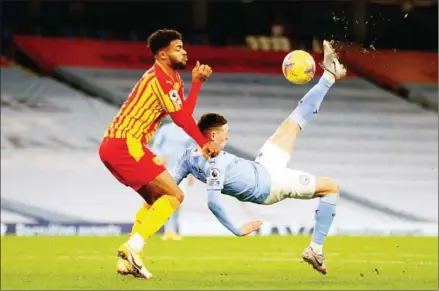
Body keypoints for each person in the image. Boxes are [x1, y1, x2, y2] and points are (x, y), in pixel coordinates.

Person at [171, 40, 346, 275]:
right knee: (331, 187)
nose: (227, 138)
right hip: (269, 185)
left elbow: (169, 185)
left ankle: (329, 77)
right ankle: (315, 249)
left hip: (262, 166)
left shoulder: (187, 156)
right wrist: (236, 229)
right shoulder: (215, 164)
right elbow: (212, 202)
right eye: (225, 134)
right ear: (213, 134)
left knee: (291, 123)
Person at [99, 29, 219, 279]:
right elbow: (181, 120)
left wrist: (196, 83)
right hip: (124, 143)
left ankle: (128, 257)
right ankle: (133, 248)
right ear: (162, 54)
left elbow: (182, 115)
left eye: (183, 46)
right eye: (178, 48)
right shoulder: (159, 79)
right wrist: (202, 142)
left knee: (156, 200)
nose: (184, 51)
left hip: (123, 144)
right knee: (174, 194)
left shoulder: (173, 79)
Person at [151, 120, 196, 241]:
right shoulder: (165, 129)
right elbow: (156, 145)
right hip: (165, 170)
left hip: (182, 172)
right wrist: (159, 155)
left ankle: (172, 229)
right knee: (166, 199)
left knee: (177, 201)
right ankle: (168, 230)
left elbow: (192, 153)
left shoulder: (189, 130)